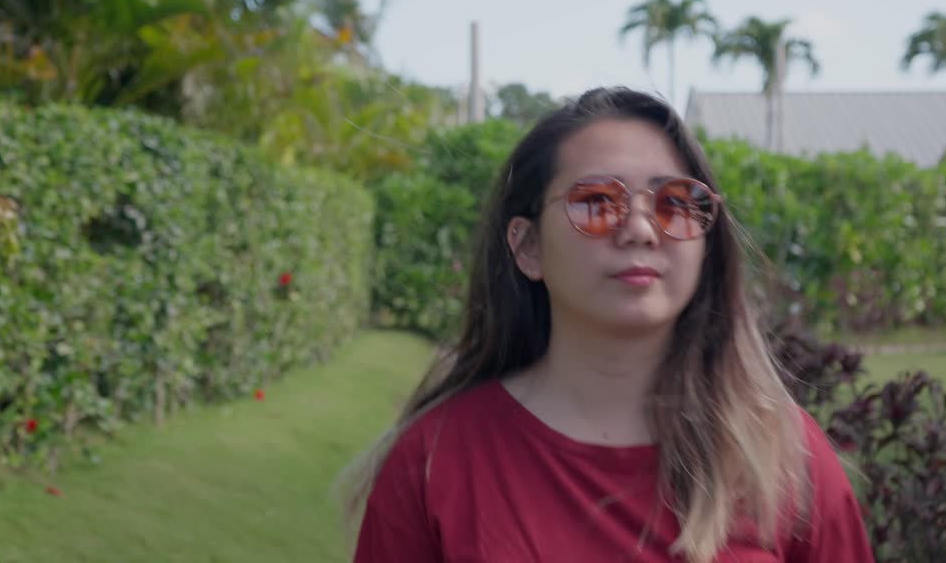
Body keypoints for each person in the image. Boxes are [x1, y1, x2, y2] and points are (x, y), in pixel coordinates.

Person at [341, 87, 873, 562]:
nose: (640, 230)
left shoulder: (783, 456)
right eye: (597, 203)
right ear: (527, 247)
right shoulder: (435, 460)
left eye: (675, 203)